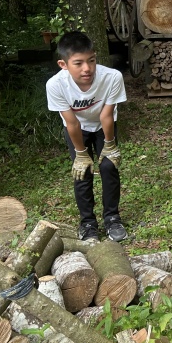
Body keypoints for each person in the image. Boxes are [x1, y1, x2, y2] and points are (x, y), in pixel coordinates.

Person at [46, 31, 128, 242]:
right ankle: (88, 223)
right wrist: (81, 153)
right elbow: (72, 122)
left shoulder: (112, 77)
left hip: (103, 125)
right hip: (77, 127)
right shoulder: (55, 85)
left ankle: (112, 218)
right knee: (82, 172)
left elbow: (106, 115)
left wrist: (109, 145)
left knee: (109, 166)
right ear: (63, 64)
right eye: (78, 63)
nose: (87, 68)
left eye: (91, 60)